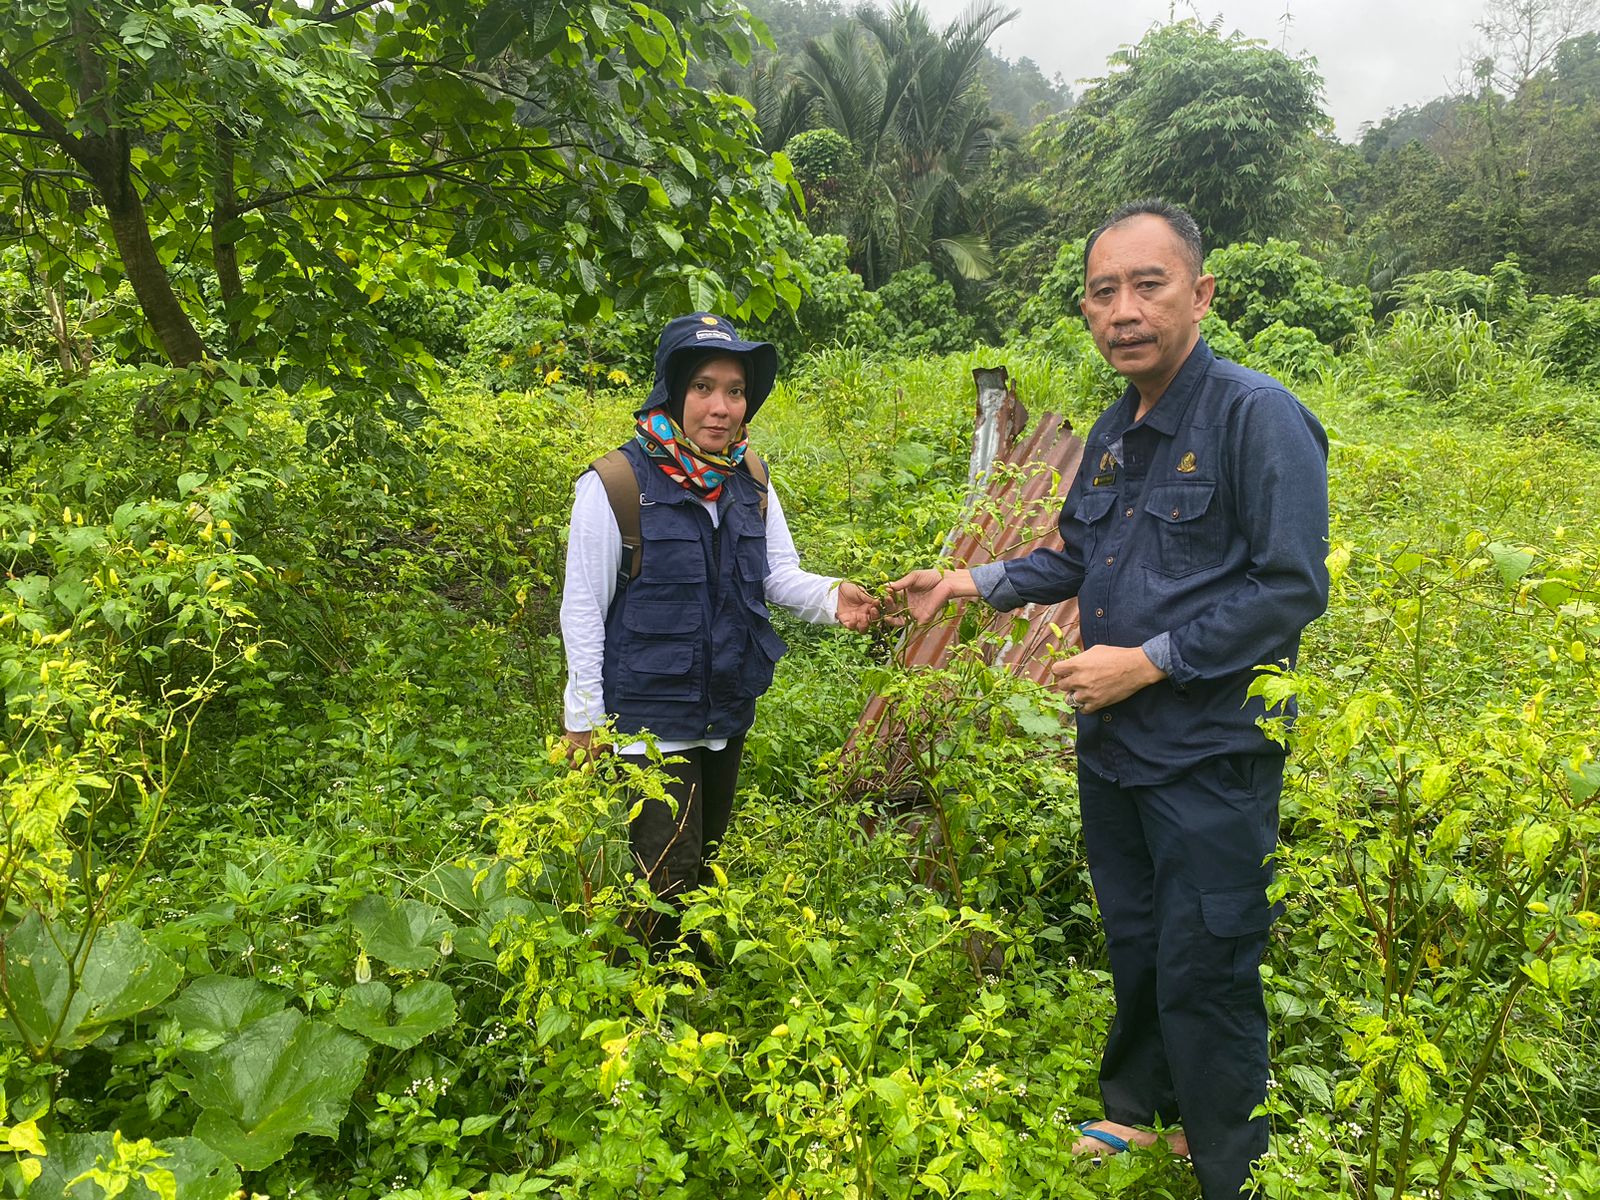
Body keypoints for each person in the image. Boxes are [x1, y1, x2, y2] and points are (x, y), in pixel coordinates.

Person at [889, 200, 1329, 1199]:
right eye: (1102, 292)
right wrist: (967, 584)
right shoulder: (1115, 426)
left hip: (1209, 755)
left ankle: (1227, 1162)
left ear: (1200, 294)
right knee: (1137, 939)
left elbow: (1290, 587)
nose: (1122, 310)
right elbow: (1079, 556)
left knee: (1207, 956)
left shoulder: (1254, 416)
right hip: (1117, 752)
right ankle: (1140, 1112)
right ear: (1084, 312)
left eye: (1147, 285)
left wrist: (1148, 660)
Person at [561, 312, 880, 955]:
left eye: (735, 391)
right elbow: (583, 610)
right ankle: (656, 1007)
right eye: (705, 387)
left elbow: (775, 573)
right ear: (673, 392)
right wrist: (583, 718)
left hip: (724, 710)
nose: (721, 407)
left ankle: (690, 980)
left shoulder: (749, 480)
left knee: (706, 861)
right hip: (647, 723)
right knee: (663, 876)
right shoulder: (615, 486)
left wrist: (830, 596)